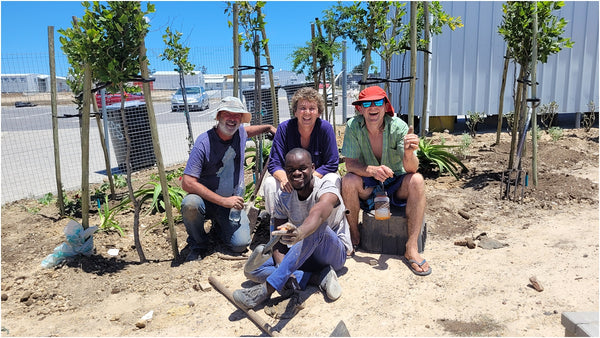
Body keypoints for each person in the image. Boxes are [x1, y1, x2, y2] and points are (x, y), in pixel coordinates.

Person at [233, 148, 353, 310]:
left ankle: (266, 290)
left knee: (316, 227)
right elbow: (278, 239)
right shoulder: (284, 197)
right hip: (302, 252)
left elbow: (319, 213)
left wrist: (301, 232)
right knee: (252, 270)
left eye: (302, 168)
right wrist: (284, 271)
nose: (297, 173)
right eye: (291, 170)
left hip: (332, 253)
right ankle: (317, 278)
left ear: (313, 168)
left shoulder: (326, 187)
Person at [340, 86, 431, 276]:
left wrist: (408, 152)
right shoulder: (353, 126)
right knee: (348, 181)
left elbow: (412, 169)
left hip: (396, 181)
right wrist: (371, 170)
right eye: (367, 103)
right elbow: (350, 164)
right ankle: (354, 234)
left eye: (378, 102)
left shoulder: (399, 127)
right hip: (369, 183)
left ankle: (411, 247)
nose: (373, 107)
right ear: (360, 109)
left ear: (385, 106)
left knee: (417, 181)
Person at [180, 96, 277, 262]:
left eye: (237, 115)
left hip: (231, 206)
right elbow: (187, 182)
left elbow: (248, 131)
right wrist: (223, 201)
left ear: (241, 119)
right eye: (227, 114)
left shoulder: (239, 134)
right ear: (218, 117)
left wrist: (268, 128)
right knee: (190, 204)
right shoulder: (204, 142)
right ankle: (198, 245)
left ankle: (219, 227)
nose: (232, 119)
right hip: (206, 202)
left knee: (240, 245)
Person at [261, 87, 340, 226]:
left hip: (316, 177)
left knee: (333, 179)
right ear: (295, 112)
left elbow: (332, 163)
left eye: (312, 108)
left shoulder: (325, 128)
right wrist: (284, 179)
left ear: (319, 112)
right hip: (291, 178)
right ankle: (279, 226)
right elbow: (274, 163)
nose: (307, 112)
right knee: (269, 183)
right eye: (302, 108)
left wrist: (309, 177)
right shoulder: (284, 128)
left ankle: (327, 225)